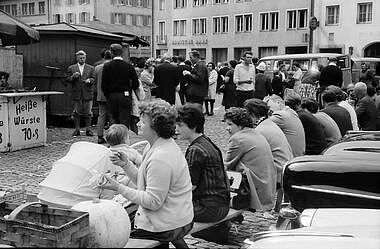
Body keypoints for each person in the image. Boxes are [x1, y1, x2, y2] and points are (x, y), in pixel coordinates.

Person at [99, 99, 193, 248]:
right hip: (170, 217)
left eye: (142, 122)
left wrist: (118, 188)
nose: (137, 124)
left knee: (110, 226)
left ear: (155, 127)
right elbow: (144, 183)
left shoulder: (161, 157)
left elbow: (152, 202)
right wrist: (126, 164)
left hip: (168, 224)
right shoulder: (154, 146)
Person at [176, 103, 230, 243]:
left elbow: (189, 186)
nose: (176, 129)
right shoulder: (206, 142)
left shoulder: (196, 149)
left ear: (192, 126)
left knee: (166, 215)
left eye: (180, 125)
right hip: (221, 204)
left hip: (209, 209)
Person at [244, 98, 293, 211]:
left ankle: (245, 203)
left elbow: (253, 157)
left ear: (251, 114)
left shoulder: (260, 130)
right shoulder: (269, 124)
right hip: (284, 168)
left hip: (277, 173)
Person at [224, 107, 276, 212]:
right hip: (266, 187)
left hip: (252, 190)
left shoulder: (238, 139)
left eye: (230, 124)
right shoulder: (256, 133)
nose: (227, 128)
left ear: (240, 125)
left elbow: (226, 166)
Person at [101, 44, 139, 129]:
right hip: (125, 96)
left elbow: (103, 85)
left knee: (114, 120)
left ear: (112, 53)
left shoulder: (107, 66)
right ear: (121, 53)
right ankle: (124, 139)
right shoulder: (128, 66)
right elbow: (136, 83)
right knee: (125, 121)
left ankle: (115, 139)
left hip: (112, 96)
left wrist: (108, 95)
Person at [66, 50, 95, 137]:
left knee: (88, 112)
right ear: (77, 58)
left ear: (85, 58)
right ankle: (77, 129)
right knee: (76, 112)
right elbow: (67, 80)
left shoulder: (90, 68)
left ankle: (88, 129)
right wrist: (73, 77)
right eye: (80, 58)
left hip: (87, 92)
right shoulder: (71, 68)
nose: (82, 59)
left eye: (83, 58)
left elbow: (94, 79)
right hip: (76, 93)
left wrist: (89, 80)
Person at [94, 49, 112, 144]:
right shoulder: (113, 67)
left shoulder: (97, 68)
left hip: (101, 95)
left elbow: (95, 81)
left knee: (101, 116)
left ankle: (100, 136)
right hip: (111, 95)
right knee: (112, 116)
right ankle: (112, 136)